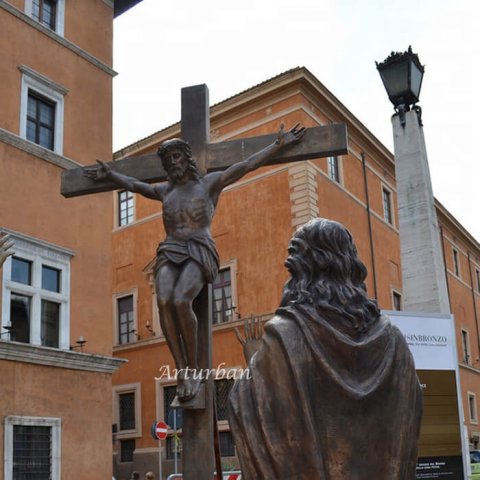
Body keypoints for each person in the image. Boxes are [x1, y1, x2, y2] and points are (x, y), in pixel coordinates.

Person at [85, 124, 305, 401]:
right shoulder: (165, 191)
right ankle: (182, 368)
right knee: (163, 300)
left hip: (199, 247)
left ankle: (194, 367)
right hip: (170, 248)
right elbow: (135, 185)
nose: (173, 163)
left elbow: (246, 165)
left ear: (186, 158)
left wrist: (278, 145)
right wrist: (111, 175)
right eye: (168, 160)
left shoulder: (208, 184)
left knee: (180, 300)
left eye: (177, 157)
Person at [229, 218, 422, 479]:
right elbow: (410, 413)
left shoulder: (285, 334)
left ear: (303, 270)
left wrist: (255, 362)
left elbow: (258, 412)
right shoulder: (394, 340)